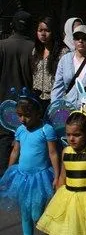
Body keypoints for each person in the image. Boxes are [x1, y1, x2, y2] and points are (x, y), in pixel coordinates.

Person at [0, 95, 60, 235]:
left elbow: (53, 153)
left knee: (36, 213)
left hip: (40, 177)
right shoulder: (20, 130)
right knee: (25, 214)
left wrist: (57, 175)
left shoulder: (45, 129)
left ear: (37, 113)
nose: (22, 119)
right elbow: (15, 152)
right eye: (19, 115)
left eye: (26, 115)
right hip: (21, 176)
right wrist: (9, 172)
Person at [0, 11, 35, 173]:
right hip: (28, 106)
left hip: (4, 105)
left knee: (5, 145)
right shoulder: (34, 48)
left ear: (12, 25)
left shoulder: (2, 45)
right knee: (25, 146)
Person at [32, 16, 67, 108]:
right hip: (37, 98)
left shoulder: (63, 52)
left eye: (47, 30)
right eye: (40, 30)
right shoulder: (36, 50)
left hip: (55, 99)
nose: (43, 34)